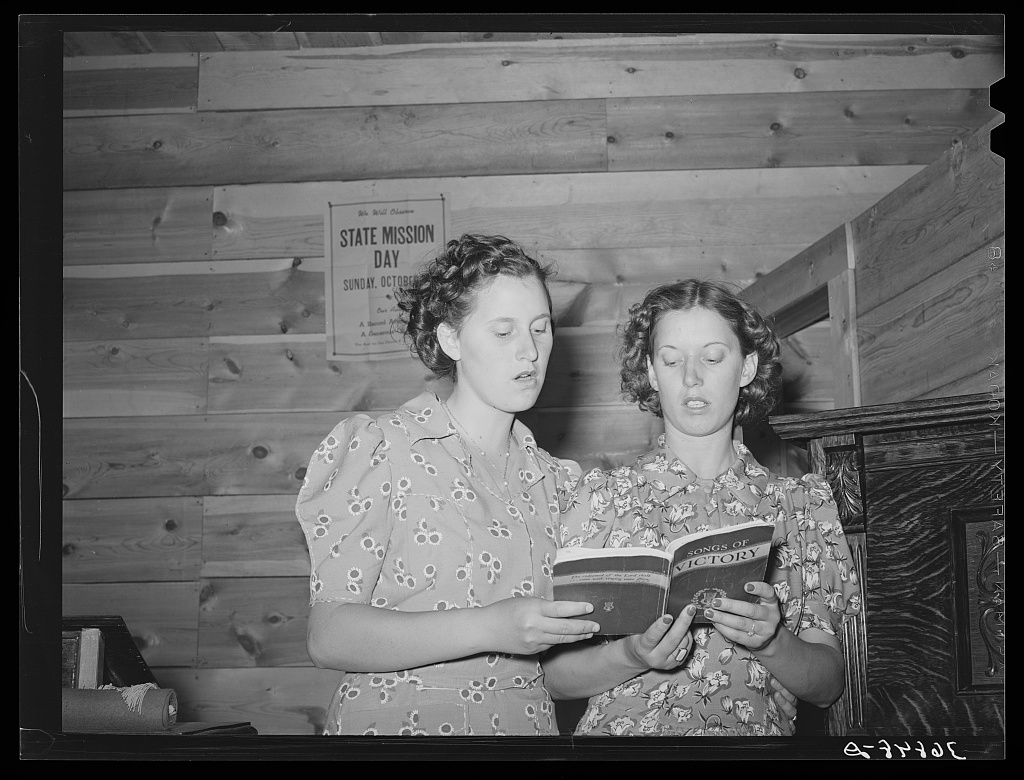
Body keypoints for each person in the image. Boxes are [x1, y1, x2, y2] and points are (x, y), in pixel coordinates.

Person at [294, 233, 602, 736]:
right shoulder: (384, 450)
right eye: (503, 332)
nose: (529, 352)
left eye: (540, 329)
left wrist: (638, 653)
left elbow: (558, 673)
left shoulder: (559, 484)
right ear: (451, 339)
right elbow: (329, 637)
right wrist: (492, 627)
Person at [543, 279, 862, 736]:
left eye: (712, 358)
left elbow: (828, 684)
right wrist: (632, 654)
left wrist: (773, 642)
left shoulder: (801, 505)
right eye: (672, 360)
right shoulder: (601, 499)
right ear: (652, 373)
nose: (692, 378)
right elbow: (554, 678)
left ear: (747, 366)